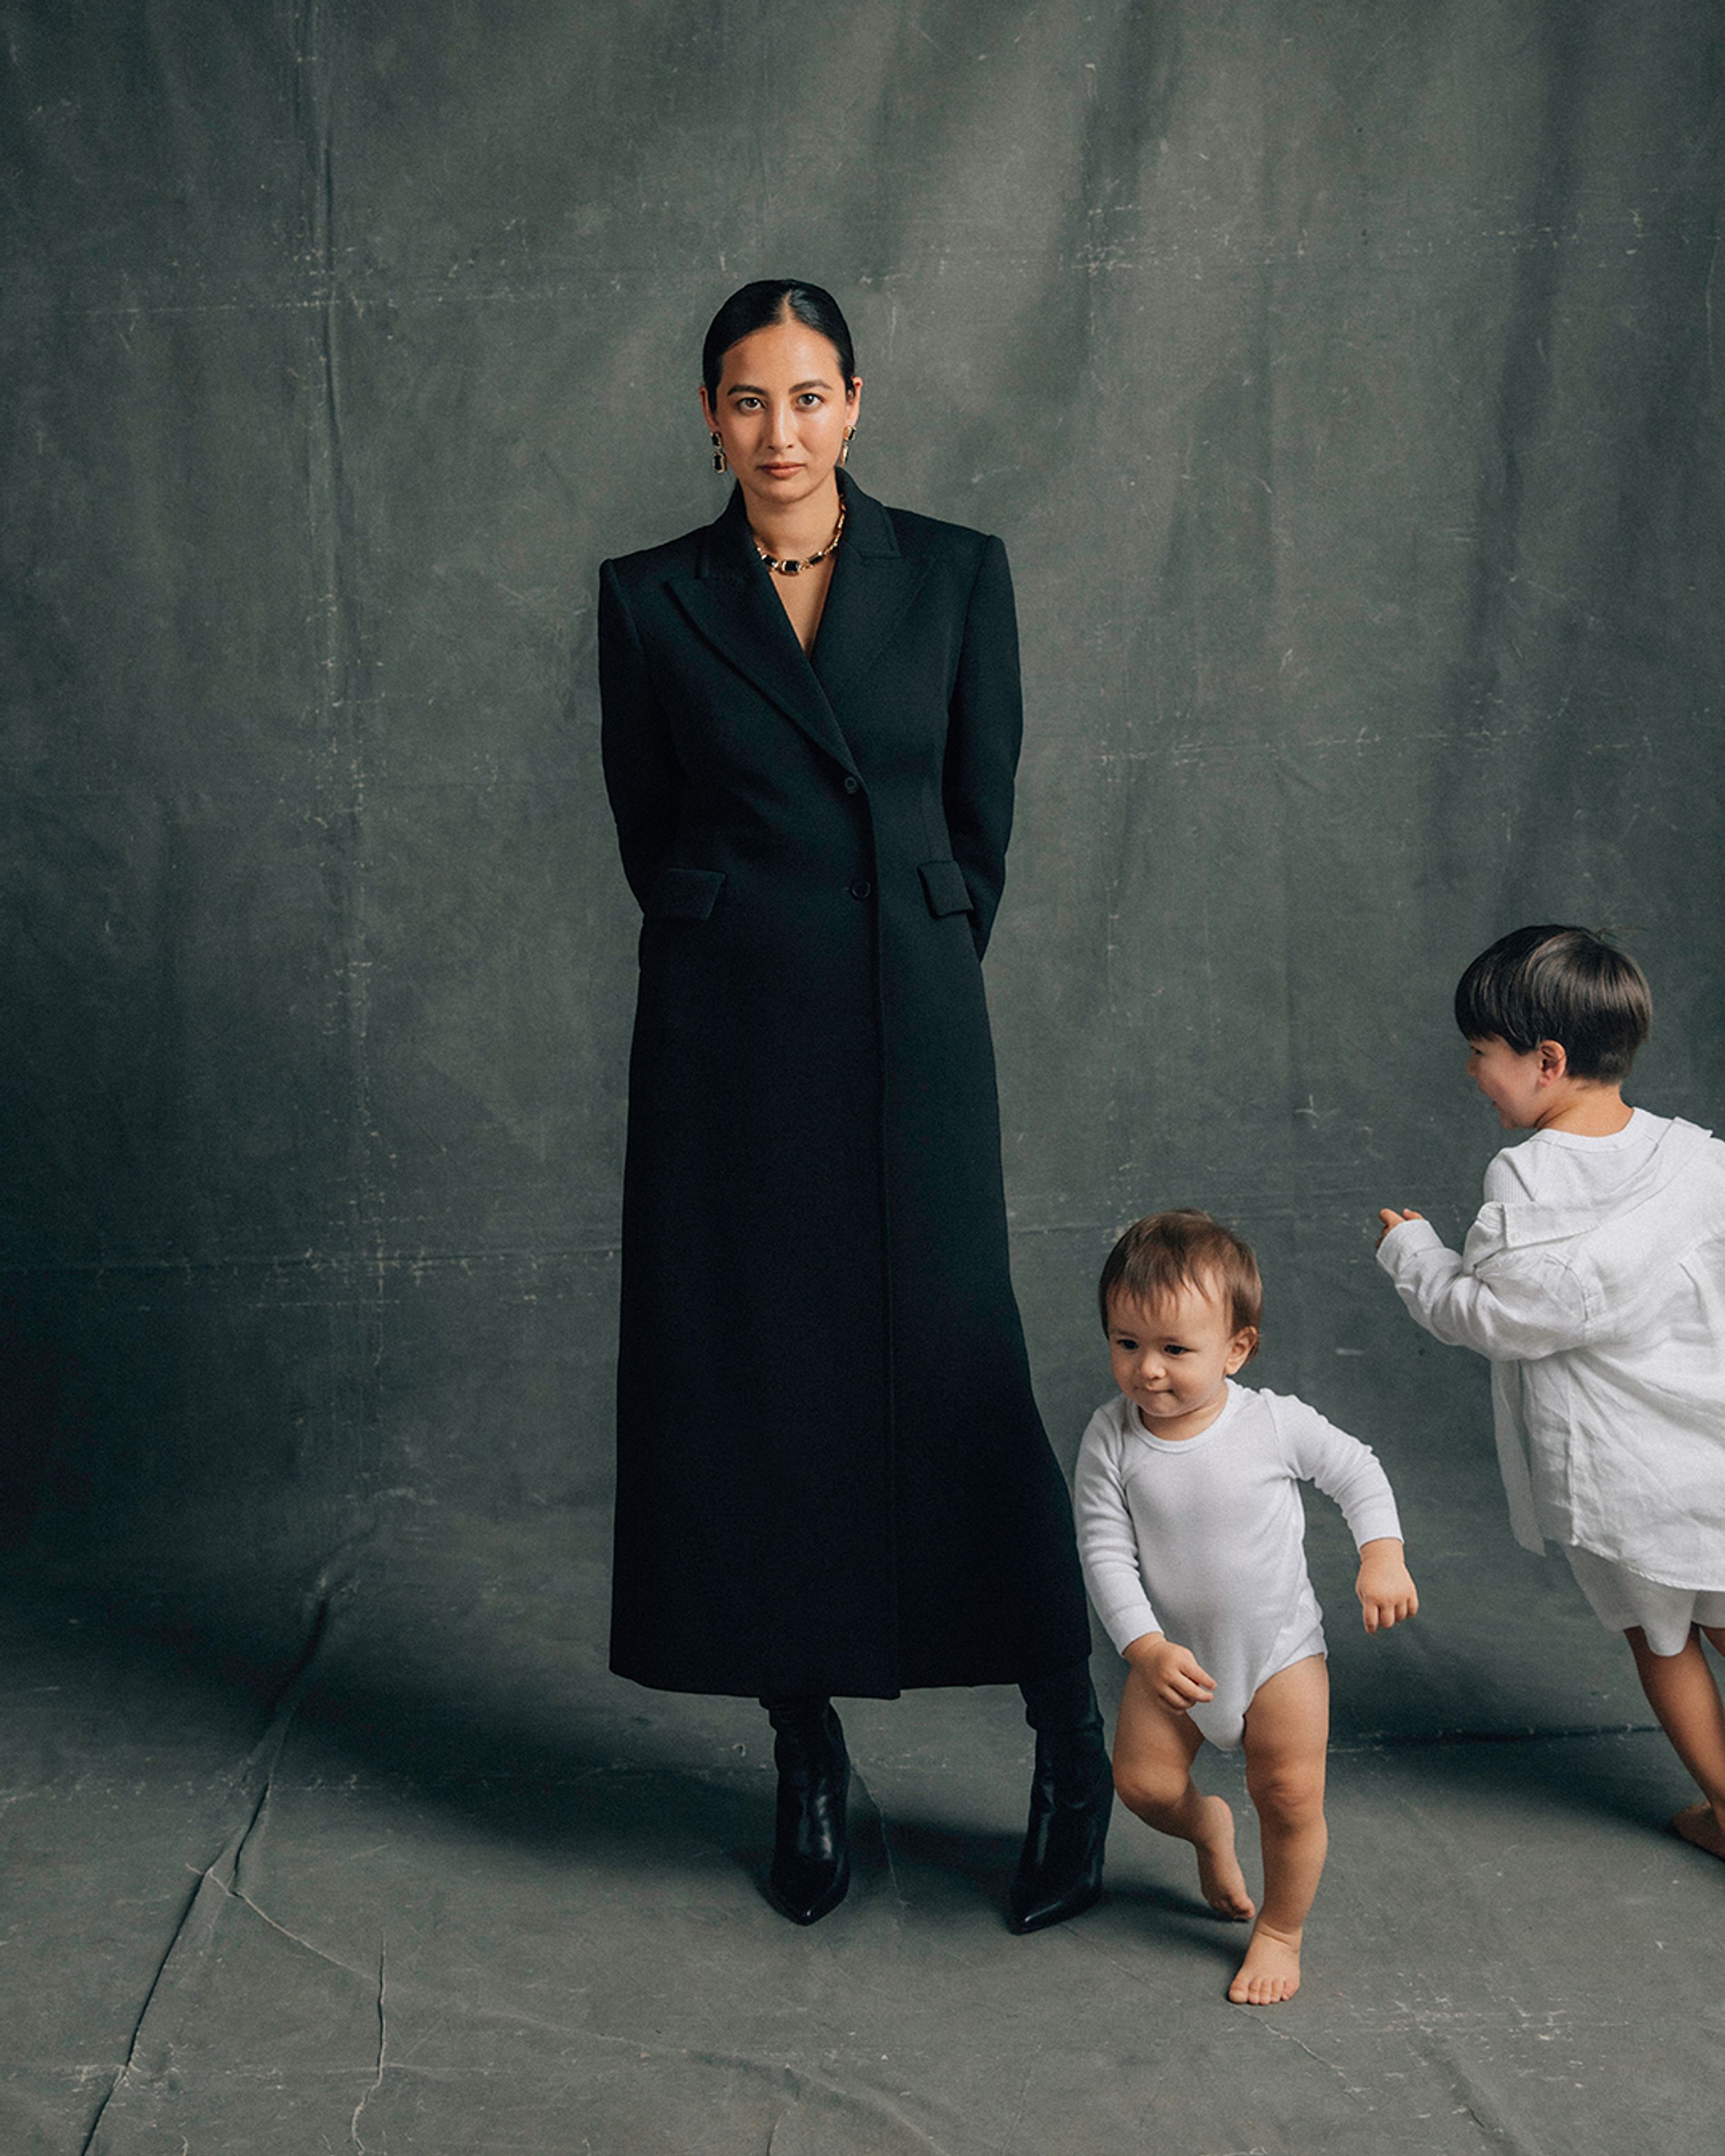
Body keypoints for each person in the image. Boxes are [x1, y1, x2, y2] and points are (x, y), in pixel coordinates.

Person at [596, 279, 1110, 1931]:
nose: (781, 431)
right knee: (758, 1380)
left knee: (953, 1361)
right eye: (748, 400)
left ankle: (1068, 1740)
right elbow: (649, 828)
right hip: (726, 1039)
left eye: (809, 396)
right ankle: (803, 1748)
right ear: (708, 416)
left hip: (911, 1022)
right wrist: (755, 931)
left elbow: (981, 822)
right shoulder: (651, 598)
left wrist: (906, 946)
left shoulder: (956, 573)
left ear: (858, 403)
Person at [1377, 924, 1725, 1862]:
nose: (1471, 1072)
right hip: (1712, 1445)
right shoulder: (1698, 1159)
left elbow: (1499, 1316)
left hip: (1617, 1467)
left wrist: (1416, 1252)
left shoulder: (1526, 1175)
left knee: (1664, 1641)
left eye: (1482, 1054)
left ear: (1549, 1060)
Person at [1074, 1210, 1417, 2004]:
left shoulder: (1270, 1422)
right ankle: (1206, 1827)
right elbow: (1103, 1550)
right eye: (1126, 1343)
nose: (1146, 1370)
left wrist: (1381, 1553)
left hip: (1276, 1652)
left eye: (1174, 1349)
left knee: (1290, 1794)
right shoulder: (1111, 1437)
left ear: (1237, 1348)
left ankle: (1281, 1928)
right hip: (1174, 1654)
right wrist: (1145, 1647)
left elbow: (1357, 1472)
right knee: (1143, 1784)